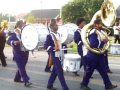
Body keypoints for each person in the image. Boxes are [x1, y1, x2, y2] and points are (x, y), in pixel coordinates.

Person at [80, 19, 117, 90]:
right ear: (96, 24)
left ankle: (108, 85)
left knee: (103, 71)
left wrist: (105, 42)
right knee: (89, 72)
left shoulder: (101, 32)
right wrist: (103, 42)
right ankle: (83, 84)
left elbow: (104, 41)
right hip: (92, 55)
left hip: (99, 55)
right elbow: (93, 44)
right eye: (100, 24)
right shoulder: (93, 32)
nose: (102, 25)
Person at [44, 21, 69, 90]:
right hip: (54, 55)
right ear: (51, 27)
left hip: (60, 55)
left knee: (55, 71)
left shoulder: (59, 34)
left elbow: (61, 44)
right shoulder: (49, 36)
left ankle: (49, 84)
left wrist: (66, 46)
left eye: (57, 25)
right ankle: (65, 88)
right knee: (60, 72)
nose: (57, 26)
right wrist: (53, 48)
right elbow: (45, 46)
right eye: (55, 25)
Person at [7, 20, 32, 87]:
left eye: (24, 24)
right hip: (18, 53)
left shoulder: (25, 32)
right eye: (22, 24)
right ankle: (26, 81)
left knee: (22, 66)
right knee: (21, 67)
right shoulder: (14, 33)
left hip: (25, 52)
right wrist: (14, 42)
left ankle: (16, 79)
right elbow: (9, 41)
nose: (23, 25)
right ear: (18, 25)